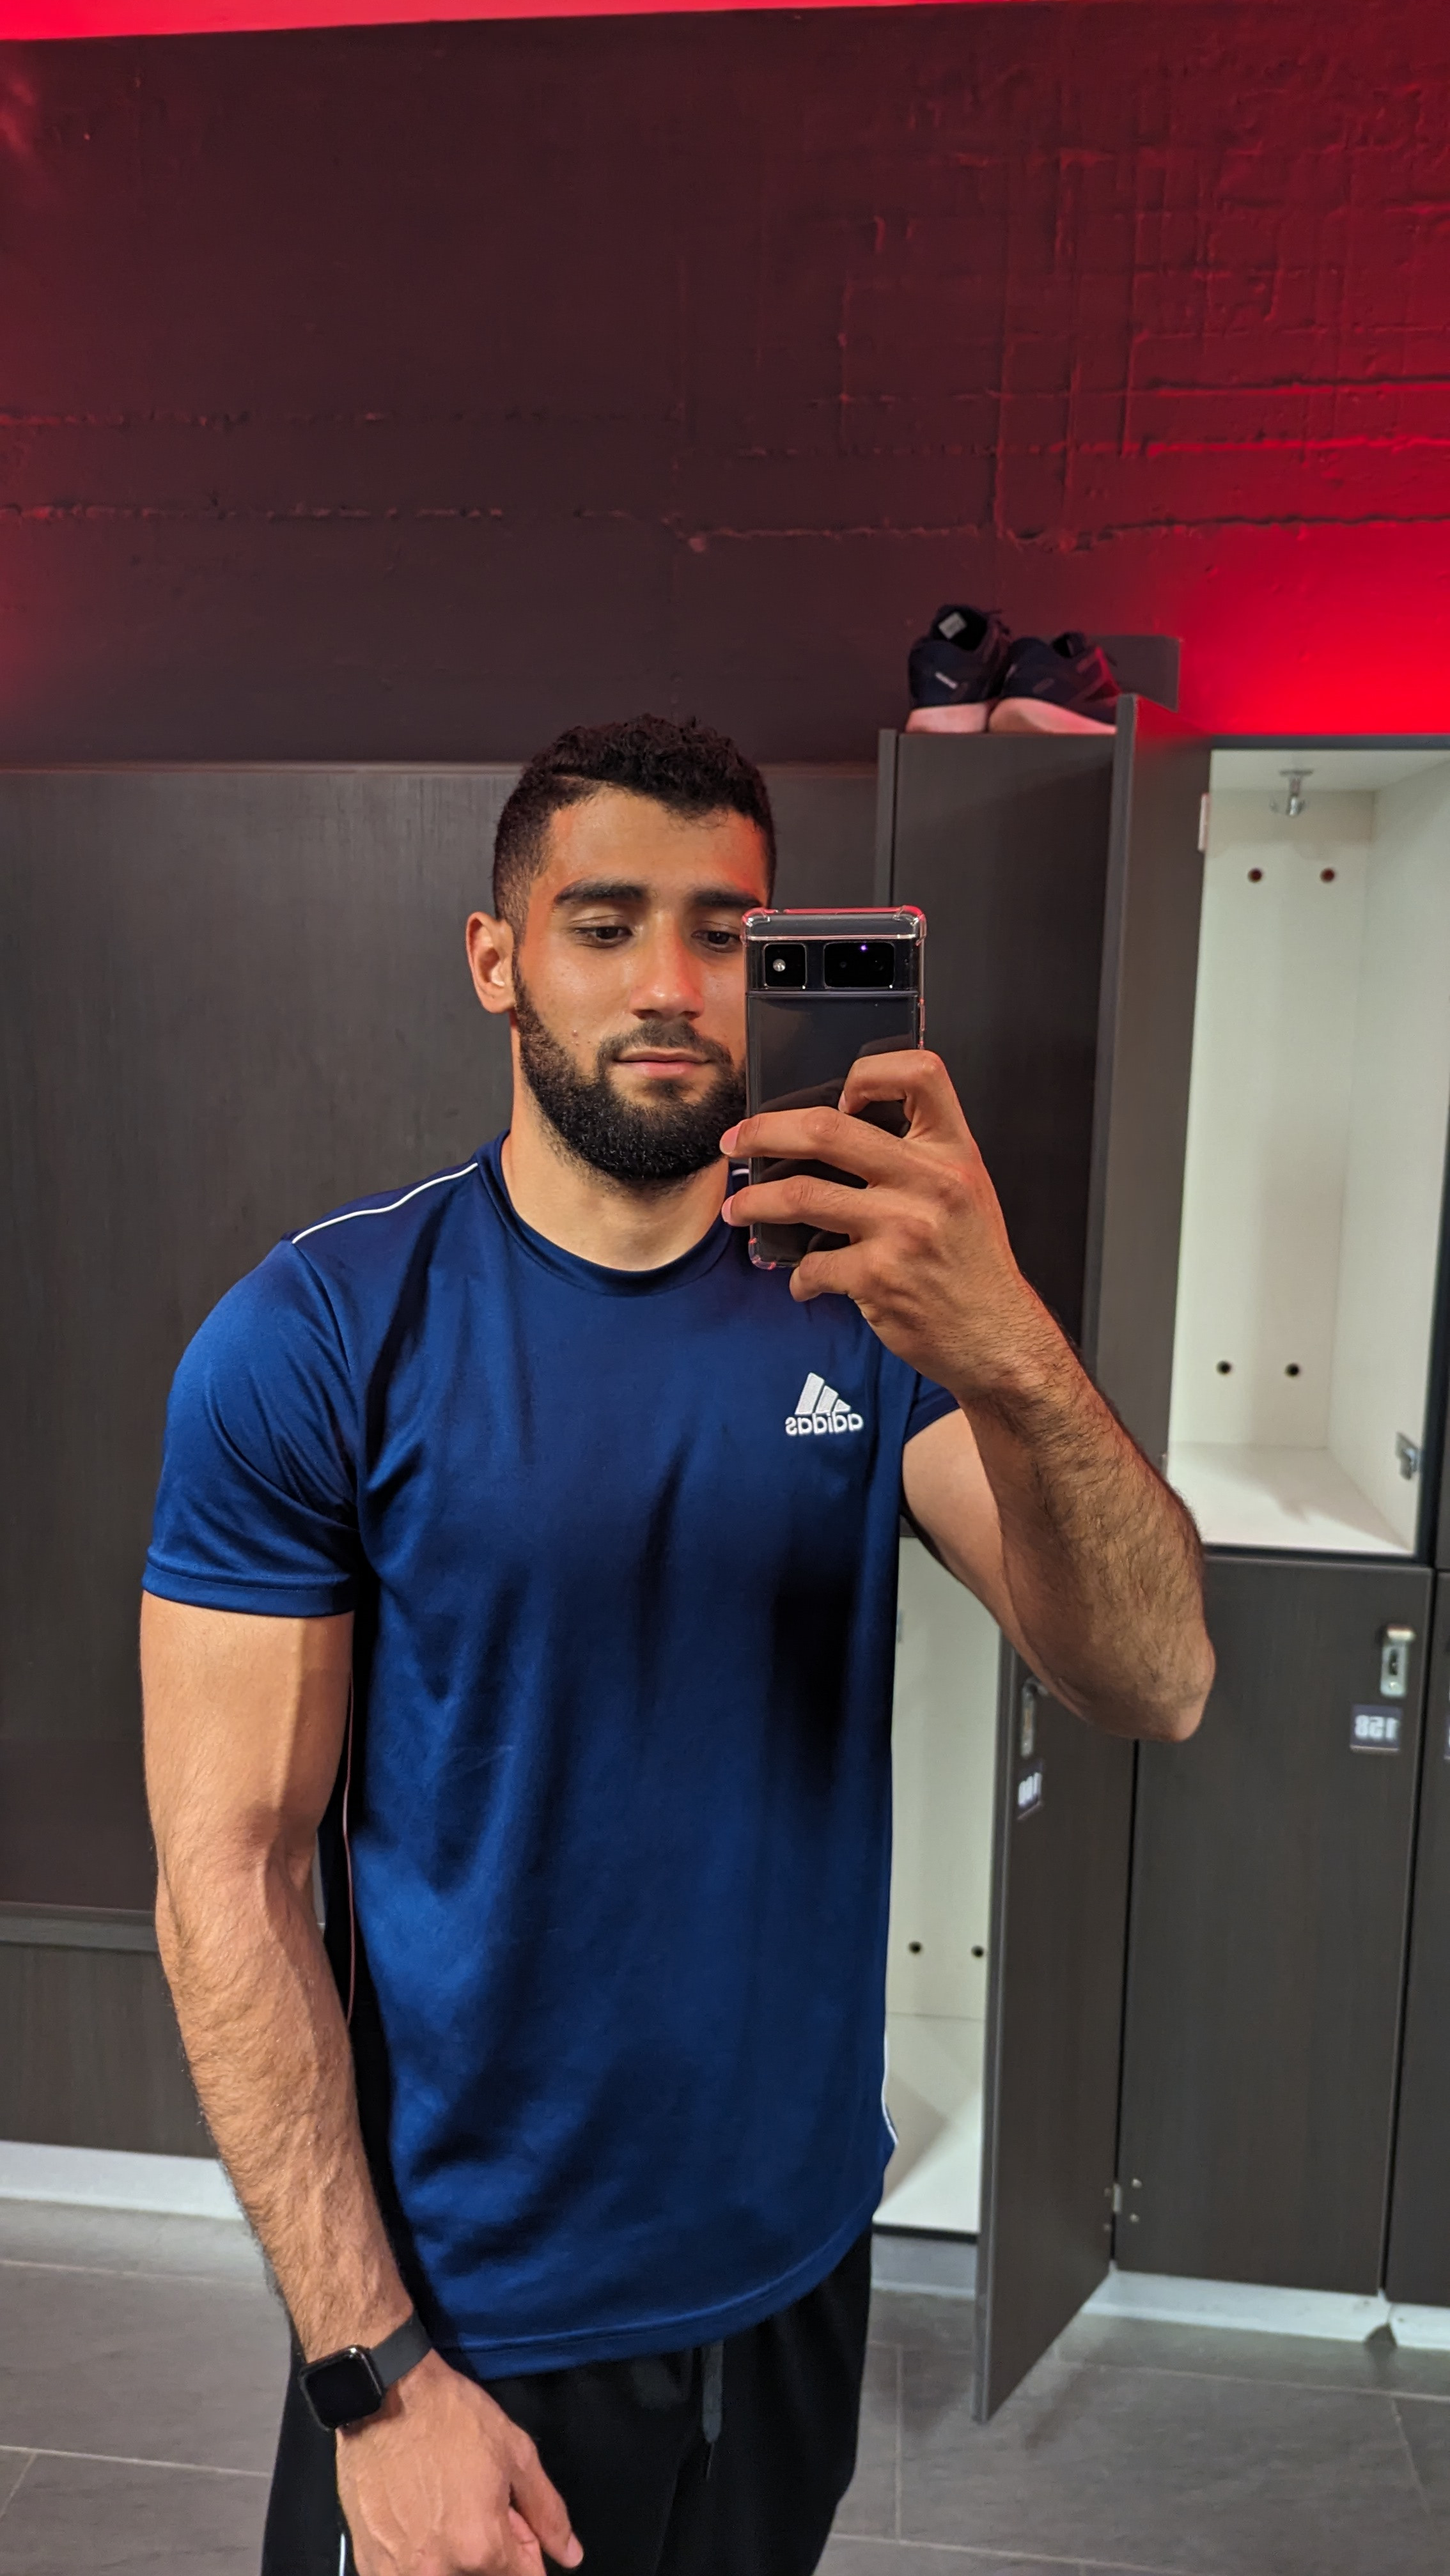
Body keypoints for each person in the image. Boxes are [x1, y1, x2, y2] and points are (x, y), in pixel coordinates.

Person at [141, 714, 1213, 2576]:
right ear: (497, 959)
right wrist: (371, 2377)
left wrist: (1009, 1341)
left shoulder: (868, 1310)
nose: (668, 983)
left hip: (788, 2272)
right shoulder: (321, 1334)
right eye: (604, 922)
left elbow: (1153, 1679)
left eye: (724, 931)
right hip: (469, 2310)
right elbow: (224, 1879)